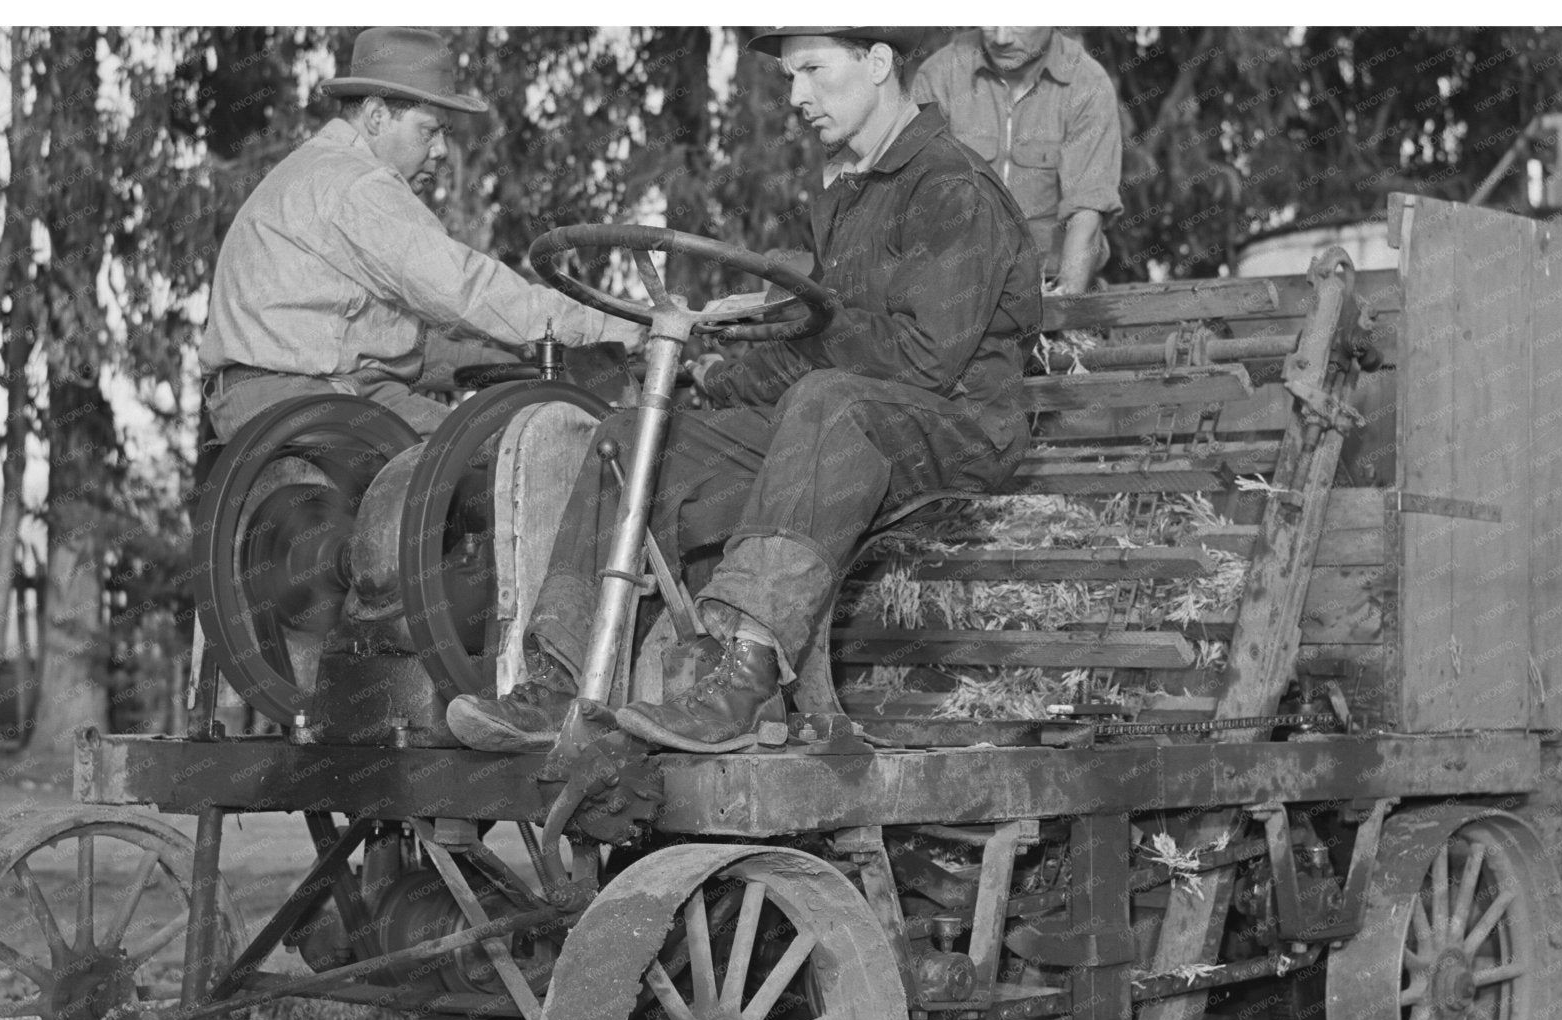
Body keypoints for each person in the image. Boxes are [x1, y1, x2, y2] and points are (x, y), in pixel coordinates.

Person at [447, 26, 1042, 754]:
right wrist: (716, 360)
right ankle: (560, 682)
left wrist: (773, 356)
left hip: (958, 429)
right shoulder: (850, 194)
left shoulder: (951, 188)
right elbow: (811, 337)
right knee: (631, 439)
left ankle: (744, 678)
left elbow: (921, 358)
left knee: (827, 402)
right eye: (792, 78)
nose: (797, 97)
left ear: (880, 64)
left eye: (814, 71)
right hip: (842, 423)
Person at [198, 27, 642, 442]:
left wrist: (532, 357)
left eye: (443, 133)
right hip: (296, 397)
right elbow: (464, 289)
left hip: (300, 390)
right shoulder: (357, 183)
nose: (441, 151)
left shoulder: (317, 170)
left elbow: (394, 344)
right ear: (375, 116)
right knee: (510, 457)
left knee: (487, 439)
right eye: (428, 131)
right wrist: (607, 325)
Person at [912, 27, 1124, 294]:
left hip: (1051, 279)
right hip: (959, 287)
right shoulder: (939, 75)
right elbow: (919, 202)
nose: (1001, 38)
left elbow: (1088, 211)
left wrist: (1066, 305)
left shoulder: (1088, 84)